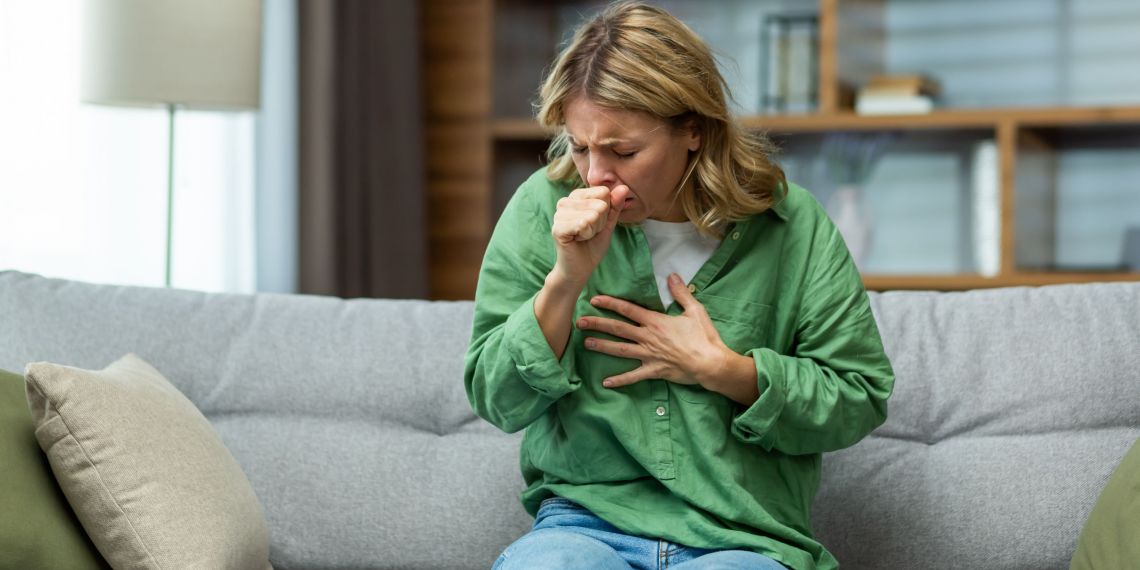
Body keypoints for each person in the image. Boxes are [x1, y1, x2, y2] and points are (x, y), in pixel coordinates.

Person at [463, 3, 895, 569]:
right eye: (580, 145)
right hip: (585, 526)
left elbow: (858, 396)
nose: (596, 174)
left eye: (624, 151)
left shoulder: (792, 227)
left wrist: (728, 371)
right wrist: (565, 282)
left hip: (741, 535)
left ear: (693, 129)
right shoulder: (541, 208)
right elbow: (496, 399)